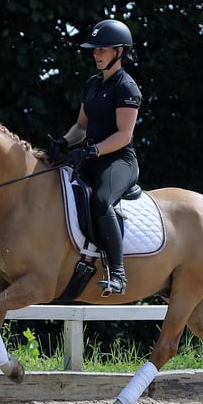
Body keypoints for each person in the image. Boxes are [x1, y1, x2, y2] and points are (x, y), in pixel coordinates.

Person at [48, 19, 142, 296]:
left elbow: (125, 135)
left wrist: (92, 150)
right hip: (91, 155)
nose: (96, 54)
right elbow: (81, 126)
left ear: (120, 51)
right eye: (94, 50)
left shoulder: (126, 87)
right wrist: (64, 141)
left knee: (101, 200)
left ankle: (118, 273)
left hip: (119, 160)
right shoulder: (92, 84)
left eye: (102, 49)